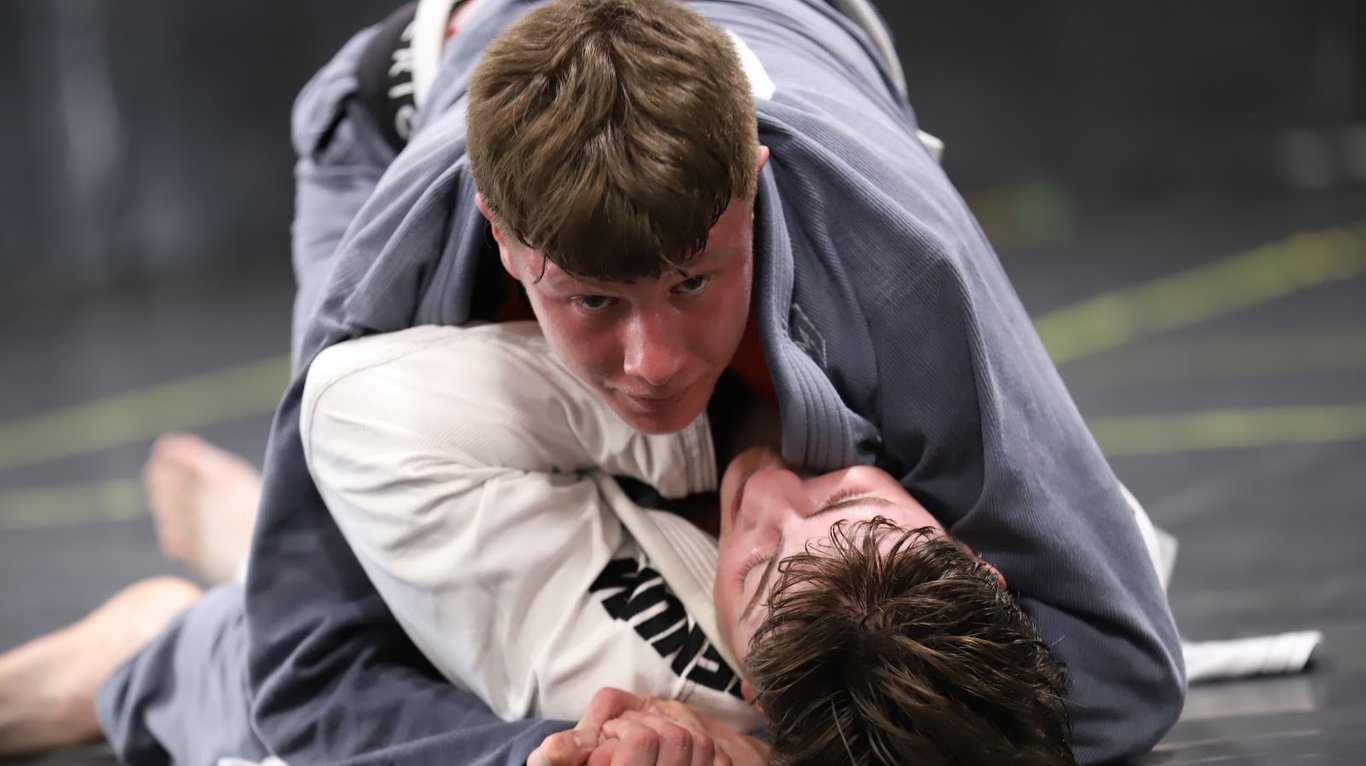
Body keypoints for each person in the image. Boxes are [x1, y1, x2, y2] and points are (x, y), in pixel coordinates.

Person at [2, 0, 1184, 763]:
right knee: (367, 570)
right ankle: (155, 645)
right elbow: (312, 685)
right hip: (392, 117)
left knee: (808, 617)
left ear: (752, 185)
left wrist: (791, 731)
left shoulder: (892, 267)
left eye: (692, 281)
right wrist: (547, 755)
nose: (654, 361)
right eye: (592, 301)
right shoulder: (392, 279)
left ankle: (255, 538)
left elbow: (1126, 670)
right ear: (505, 240)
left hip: (799, 78)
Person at [299, 321, 1076, 765]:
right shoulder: (1050, 541)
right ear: (976, 564)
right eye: (847, 500)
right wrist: (711, 427)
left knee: (251, 640)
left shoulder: (640, 679)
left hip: (343, 584)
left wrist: (668, 416)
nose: (770, 488)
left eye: (761, 568)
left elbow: (349, 407)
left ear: (758, 691)